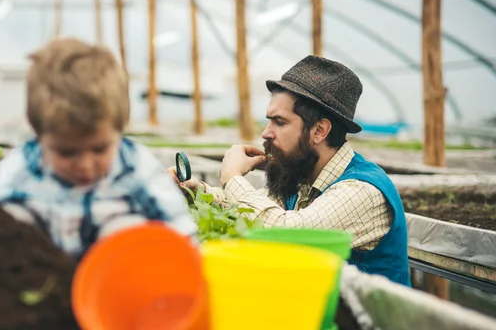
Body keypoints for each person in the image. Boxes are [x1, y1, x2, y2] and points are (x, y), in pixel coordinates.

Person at [0, 37, 197, 261]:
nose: (86, 164)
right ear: (39, 136)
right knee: (11, 222)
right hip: (37, 300)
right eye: (67, 153)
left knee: (128, 229)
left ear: (119, 130)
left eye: (100, 149)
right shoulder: (14, 178)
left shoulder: (137, 169)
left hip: (117, 300)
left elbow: (184, 241)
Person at [168, 56, 410, 286]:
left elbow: (287, 235)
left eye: (280, 122)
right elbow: (254, 211)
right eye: (269, 120)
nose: (266, 133)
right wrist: (194, 192)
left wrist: (232, 178)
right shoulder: (299, 176)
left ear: (319, 131)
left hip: (373, 327)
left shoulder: (362, 190)